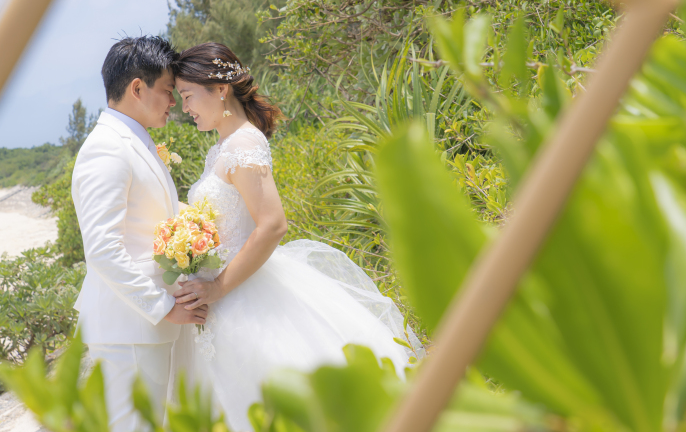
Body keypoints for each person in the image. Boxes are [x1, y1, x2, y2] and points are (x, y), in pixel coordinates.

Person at [170, 42, 423, 430]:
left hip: (244, 294)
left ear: (219, 89)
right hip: (223, 300)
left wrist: (219, 286)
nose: (185, 108)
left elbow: (272, 225)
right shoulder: (222, 146)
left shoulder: (243, 143)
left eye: (187, 96)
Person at [72, 36, 209, 432]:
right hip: (128, 330)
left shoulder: (133, 142)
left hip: (143, 331)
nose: (173, 102)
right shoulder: (107, 149)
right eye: (167, 91)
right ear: (137, 88)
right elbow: (102, 249)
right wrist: (164, 307)